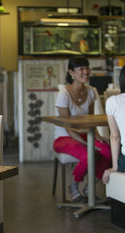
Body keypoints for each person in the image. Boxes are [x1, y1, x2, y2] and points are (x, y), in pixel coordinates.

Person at [53, 56, 111, 202]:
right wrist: (88, 144)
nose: (85, 72)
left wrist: (96, 135)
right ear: (71, 73)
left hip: (86, 134)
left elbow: (90, 119)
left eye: (87, 68)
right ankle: (73, 187)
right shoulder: (63, 95)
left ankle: (90, 188)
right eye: (81, 69)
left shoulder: (91, 92)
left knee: (108, 151)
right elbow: (68, 128)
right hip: (64, 137)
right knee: (89, 153)